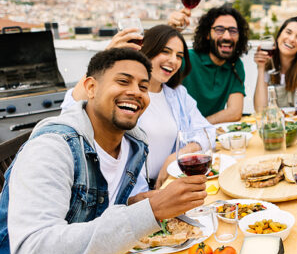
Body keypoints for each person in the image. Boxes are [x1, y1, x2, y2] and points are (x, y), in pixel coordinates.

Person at [0, 48, 208, 254]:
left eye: (143, 86)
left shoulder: (134, 145)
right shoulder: (52, 148)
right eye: (122, 81)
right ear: (90, 87)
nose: (135, 92)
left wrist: (133, 204)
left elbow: (91, 213)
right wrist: (149, 211)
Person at [63, 25, 214, 189]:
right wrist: (106, 56)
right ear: (146, 50)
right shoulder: (123, 95)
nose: (173, 60)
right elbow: (70, 112)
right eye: (165, 51)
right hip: (129, 195)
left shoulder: (178, 95)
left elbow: (207, 131)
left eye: (179, 56)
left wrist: (176, 157)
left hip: (167, 185)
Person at [168, 5, 249, 123]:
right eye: (219, 30)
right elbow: (154, 66)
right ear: (207, 34)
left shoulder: (235, 65)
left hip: (207, 133)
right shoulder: (186, 58)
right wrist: (169, 30)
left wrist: (201, 126)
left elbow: (234, 112)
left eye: (233, 31)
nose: (227, 36)